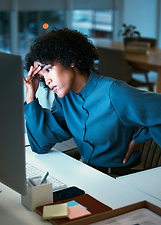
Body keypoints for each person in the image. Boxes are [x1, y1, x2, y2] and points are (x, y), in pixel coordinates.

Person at [23, 28, 161, 176]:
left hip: (125, 177)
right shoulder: (65, 98)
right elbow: (40, 144)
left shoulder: (114, 92)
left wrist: (140, 138)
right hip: (89, 175)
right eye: (42, 77)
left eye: (48, 69)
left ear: (70, 60)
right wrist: (30, 96)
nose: (47, 81)